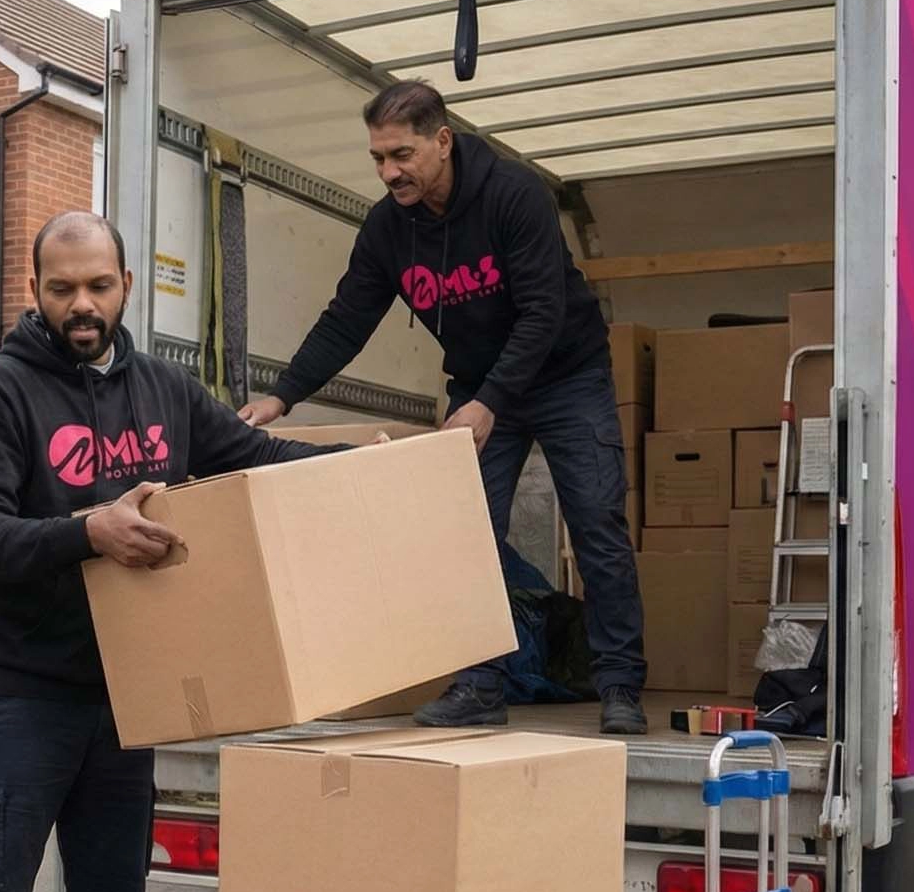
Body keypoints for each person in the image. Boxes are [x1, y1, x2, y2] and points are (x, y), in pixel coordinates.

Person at [0, 211, 341, 892]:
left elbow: (258, 462)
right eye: (61, 288)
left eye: (98, 286)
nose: (81, 306)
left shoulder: (165, 391)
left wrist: (371, 467)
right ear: (35, 290)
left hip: (126, 696)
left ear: (127, 285)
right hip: (19, 695)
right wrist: (89, 531)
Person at [237, 80, 648, 734]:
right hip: (482, 386)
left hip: (566, 375)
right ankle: (481, 684)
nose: (388, 171)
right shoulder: (387, 228)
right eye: (377, 158)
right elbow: (348, 318)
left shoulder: (514, 197)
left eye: (400, 155)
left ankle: (620, 686)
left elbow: (544, 312)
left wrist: (489, 402)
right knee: (466, 535)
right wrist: (283, 395)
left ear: (442, 141)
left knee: (597, 527)